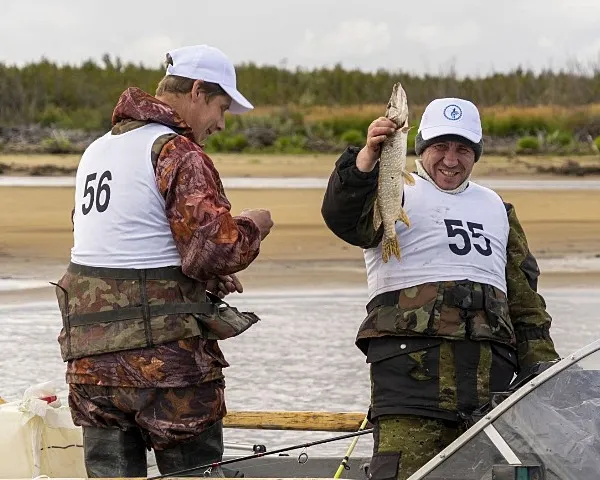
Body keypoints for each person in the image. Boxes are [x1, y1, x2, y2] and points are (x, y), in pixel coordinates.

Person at [52, 44, 274, 477]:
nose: (221, 123)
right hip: (166, 369)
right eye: (220, 107)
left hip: (90, 369)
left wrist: (197, 281)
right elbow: (217, 248)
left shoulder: (96, 150)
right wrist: (253, 225)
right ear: (196, 91)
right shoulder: (176, 151)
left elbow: (120, 242)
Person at [320, 96, 561, 479]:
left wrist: (543, 370)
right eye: (440, 147)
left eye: (463, 149)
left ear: (476, 154)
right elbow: (342, 217)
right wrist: (365, 158)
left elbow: (526, 305)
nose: (451, 159)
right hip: (409, 388)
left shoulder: (498, 209)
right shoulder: (392, 190)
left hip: (490, 393)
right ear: (419, 148)